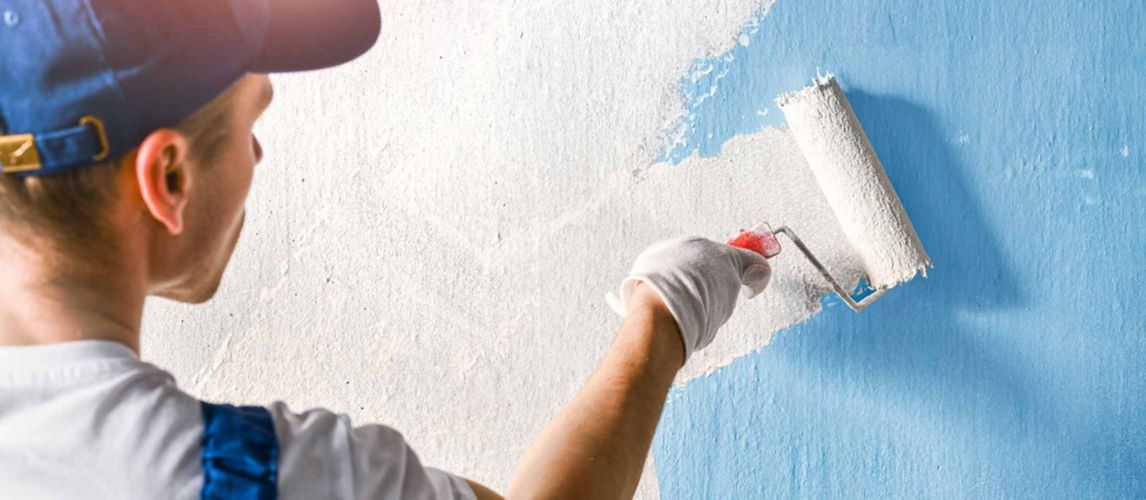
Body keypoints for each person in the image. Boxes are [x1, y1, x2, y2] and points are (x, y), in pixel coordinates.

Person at [0, 0, 772, 498]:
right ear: (168, 174)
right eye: (250, 124)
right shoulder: (243, 476)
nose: (258, 160)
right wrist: (660, 324)